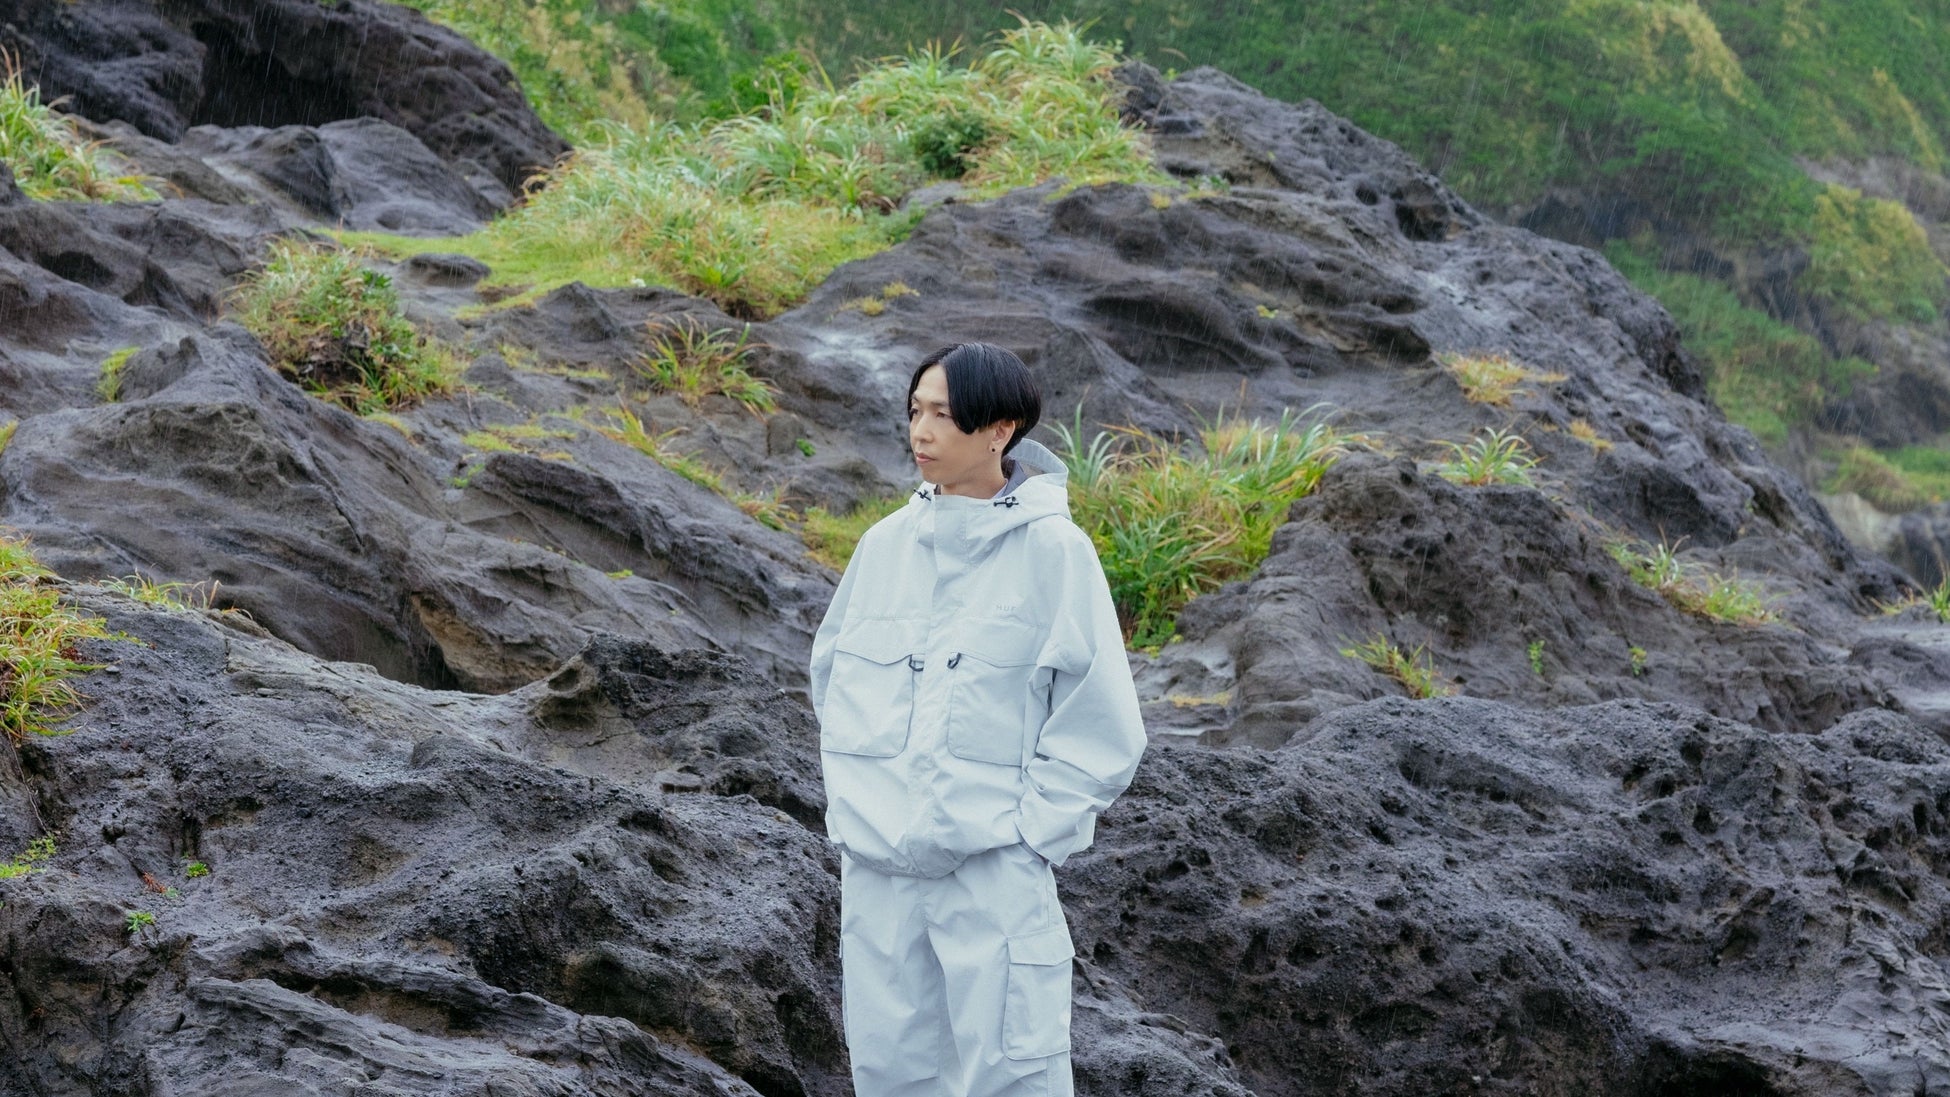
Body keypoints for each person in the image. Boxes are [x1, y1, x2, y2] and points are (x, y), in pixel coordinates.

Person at [809, 342, 1147, 1097]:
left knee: (1011, 1077)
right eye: (915, 411)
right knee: (889, 1076)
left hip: (993, 871)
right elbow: (832, 683)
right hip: (878, 877)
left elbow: (1103, 720)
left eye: (943, 415)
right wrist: (860, 810)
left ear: (999, 429)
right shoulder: (884, 547)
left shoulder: (1055, 552)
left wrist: (1030, 838)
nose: (921, 432)